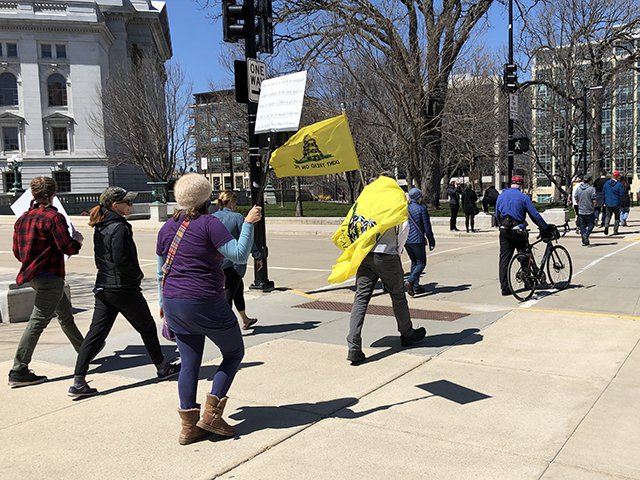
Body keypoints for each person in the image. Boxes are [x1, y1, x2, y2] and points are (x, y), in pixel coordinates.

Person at [157, 173, 262, 445]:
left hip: (173, 301)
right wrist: (248, 224)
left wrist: (161, 304)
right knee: (234, 351)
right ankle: (212, 415)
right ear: (206, 198)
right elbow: (238, 254)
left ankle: (188, 427)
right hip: (204, 300)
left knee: (190, 362)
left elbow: (161, 271)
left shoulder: (166, 228)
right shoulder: (209, 224)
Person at [67, 187, 180, 398]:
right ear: (114, 205)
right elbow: (121, 259)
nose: (130, 205)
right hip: (123, 288)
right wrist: (136, 275)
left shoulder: (101, 226)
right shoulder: (119, 227)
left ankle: (78, 382)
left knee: (95, 334)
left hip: (104, 287)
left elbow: (102, 259)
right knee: (146, 327)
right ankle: (163, 368)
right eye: (126, 202)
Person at [8, 176, 85, 388]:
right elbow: (67, 247)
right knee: (37, 322)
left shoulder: (22, 219)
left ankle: (85, 349)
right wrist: (77, 240)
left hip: (33, 276)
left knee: (64, 314)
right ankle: (19, 369)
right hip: (51, 276)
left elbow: (17, 252)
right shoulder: (53, 218)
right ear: (53, 194)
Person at [346, 175, 427, 366]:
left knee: (361, 298)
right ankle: (407, 333)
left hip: (365, 252)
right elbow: (404, 227)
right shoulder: (395, 197)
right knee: (398, 296)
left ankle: (353, 345)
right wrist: (397, 251)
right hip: (387, 254)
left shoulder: (366, 196)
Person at [213, 190, 263, 329]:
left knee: (238, 289)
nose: (235, 204)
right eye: (234, 201)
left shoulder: (212, 218)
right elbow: (247, 239)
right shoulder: (238, 218)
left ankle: (245, 319)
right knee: (228, 294)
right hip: (234, 263)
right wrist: (257, 255)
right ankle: (226, 326)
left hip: (218, 263)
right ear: (230, 202)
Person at [495, 175, 549, 296]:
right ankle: (528, 280)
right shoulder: (523, 197)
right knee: (525, 254)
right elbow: (534, 215)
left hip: (504, 230)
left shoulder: (501, 195)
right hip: (518, 230)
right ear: (521, 185)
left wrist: (501, 225)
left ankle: (505, 288)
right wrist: (545, 227)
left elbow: (496, 214)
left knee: (504, 259)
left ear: (511, 183)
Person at [404, 188, 436, 296]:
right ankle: (411, 280)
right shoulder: (421, 209)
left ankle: (415, 287)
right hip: (417, 239)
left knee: (414, 262)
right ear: (418, 197)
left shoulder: (405, 208)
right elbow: (427, 227)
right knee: (421, 262)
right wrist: (431, 241)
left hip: (406, 239)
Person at [574, 176, 597, 246]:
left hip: (581, 210)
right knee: (591, 224)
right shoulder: (592, 189)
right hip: (589, 210)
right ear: (589, 181)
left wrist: (579, 204)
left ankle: (584, 240)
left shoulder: (578, 189)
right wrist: (594, 206)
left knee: (582, 226)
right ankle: (586, 235)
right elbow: (594, 200)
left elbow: (576, 198)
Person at [603, 171, 625, 235]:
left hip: (608, 202)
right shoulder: (619, 184)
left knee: (608, 216)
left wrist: (605, 201)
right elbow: (621, 193)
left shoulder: (606, 183)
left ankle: (606, 226)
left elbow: (603, 193)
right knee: (617, 217)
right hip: (616, 202)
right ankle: (615, 230)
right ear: (617, 176)